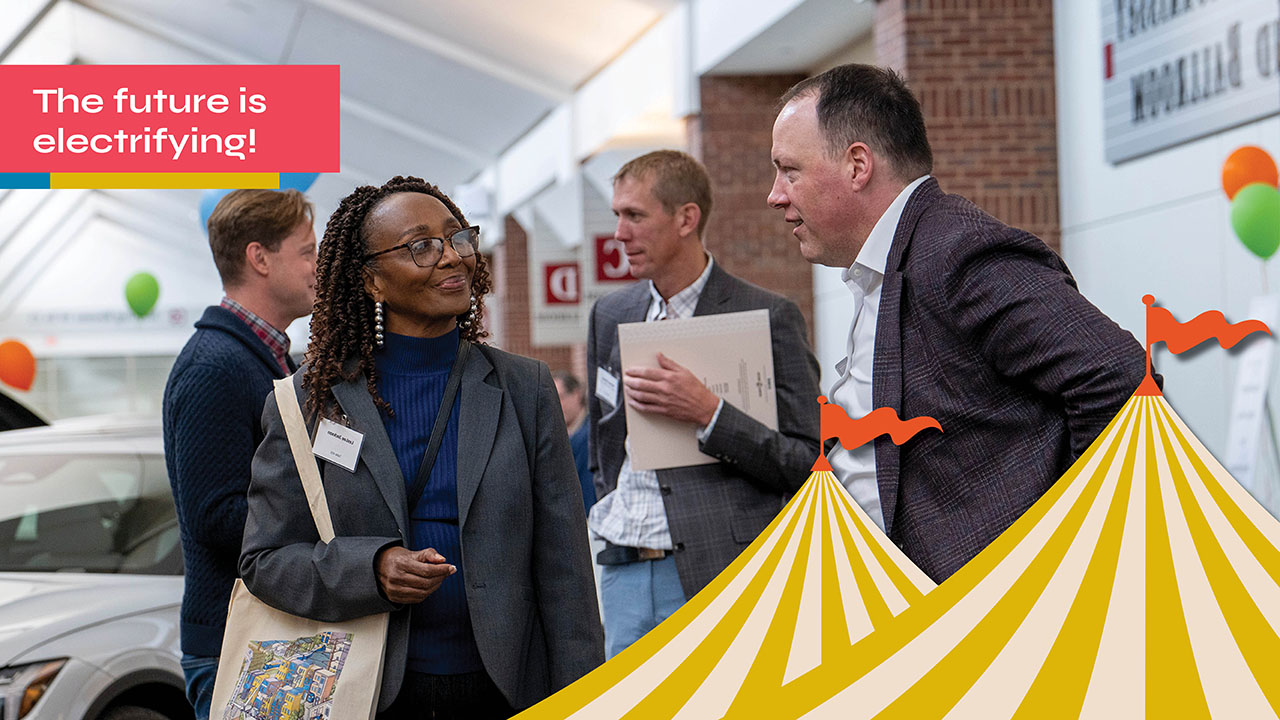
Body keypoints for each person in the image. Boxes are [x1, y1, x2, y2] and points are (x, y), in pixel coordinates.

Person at [767, 64, 1150, 583]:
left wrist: (1068, 551)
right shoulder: (889, 264)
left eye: (789, 170)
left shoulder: (955, 251)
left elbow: (1119, 379)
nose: (775, 195)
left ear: (858, 165)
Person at [240, 176, 603, 718]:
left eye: (458, 238)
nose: (451, 258)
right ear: (372, 281)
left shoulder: (522, 388)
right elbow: (265, 559)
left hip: (507, 686)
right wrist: (372, 566)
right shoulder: (311, 399)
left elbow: (565, 567)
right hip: (368, 689)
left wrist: (585, 700)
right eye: (421, 246)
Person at [587, 150, 821, 658]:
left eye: (635, 216)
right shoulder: (610, 314)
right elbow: (604, 440)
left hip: (719, 569)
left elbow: (809, 462)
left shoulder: (767, 314)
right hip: (622, 569)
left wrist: (709, 415)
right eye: (616, 216)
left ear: (686, 218)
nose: (619, 234)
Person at [162, 188, 317, 719]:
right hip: (238, 640)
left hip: (266, 632)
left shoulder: (263, 360)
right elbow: (216, 516)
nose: (318, 267)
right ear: (260, 258)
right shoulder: (216, 369)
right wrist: (326, 513)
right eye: (307, 252)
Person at [554, 370, 595, 512]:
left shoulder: (589, 435)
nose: (557, 405)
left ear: (577, 394)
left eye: (561, 397)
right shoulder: (562, 435)